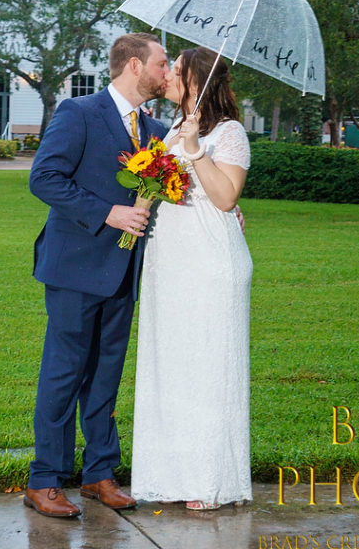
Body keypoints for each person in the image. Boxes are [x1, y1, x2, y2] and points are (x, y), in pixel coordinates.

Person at [24, 32, 169, 519]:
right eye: (162, 64)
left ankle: (99, 473)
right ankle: (44, 478)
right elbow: (44, 177)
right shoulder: (78, 113)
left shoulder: (156, 129)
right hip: (73, 267)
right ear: (133, 66)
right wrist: (108, 212)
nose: (166, 73)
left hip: (125, 270)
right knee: (64, 374)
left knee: (107, 375)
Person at [131, 46, 252, 510]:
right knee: (172, 368)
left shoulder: (230, 133)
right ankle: (170, 476)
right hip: (169, 262)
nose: (167, 78)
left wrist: (197, 149)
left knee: (208, 365)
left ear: (195, 81)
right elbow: (153, 189)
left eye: (175, 72)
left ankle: (209, 481)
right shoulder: (168, 131)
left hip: (211, 260)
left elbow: (224, 198)